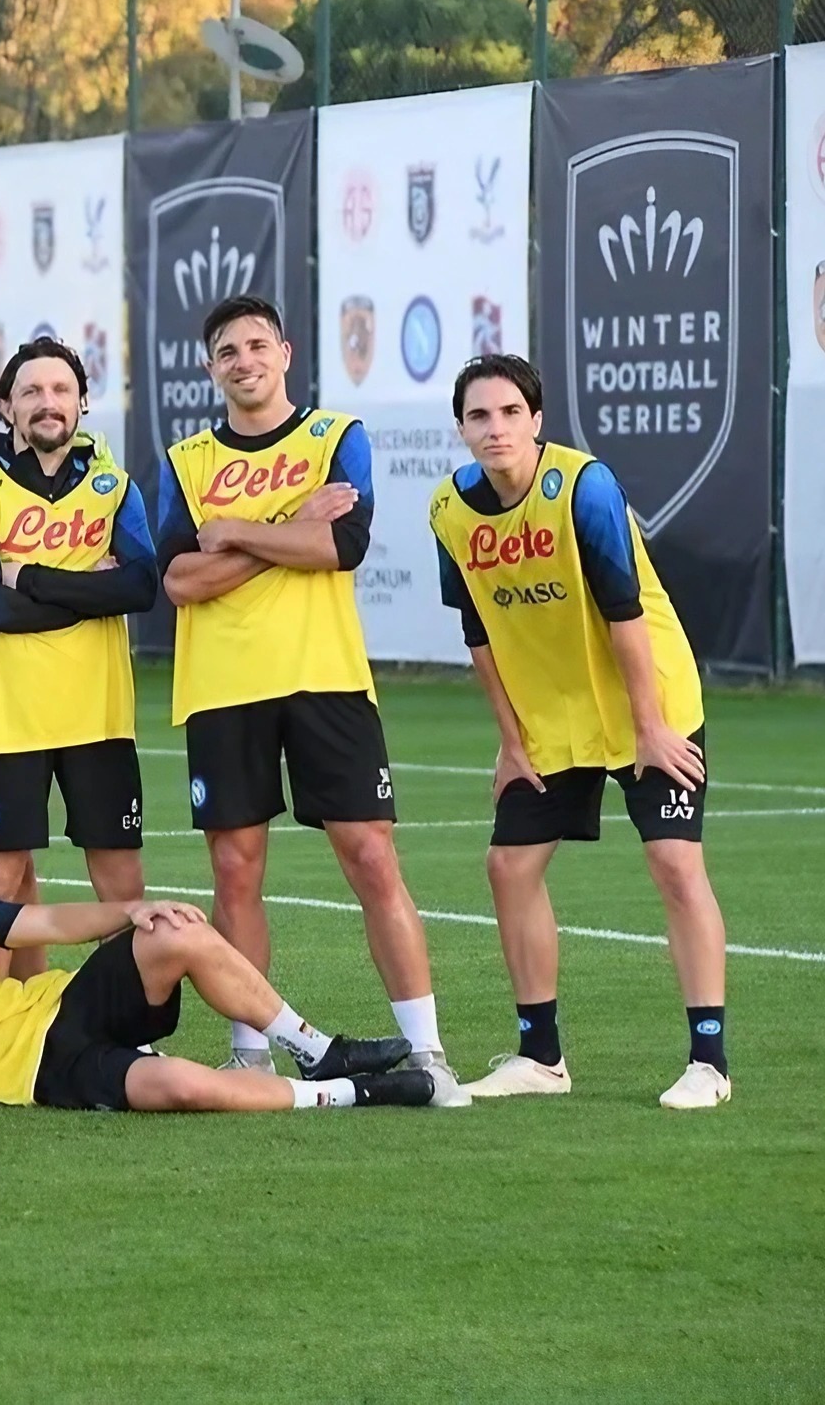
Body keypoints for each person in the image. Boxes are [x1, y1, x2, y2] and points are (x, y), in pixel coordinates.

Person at [154, 295, 467, 1103]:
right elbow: (181, 581)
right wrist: (287, 524)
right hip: (224, 689)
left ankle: (428, 1050)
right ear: (210, 367)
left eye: (258, 345)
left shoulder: (337, 437)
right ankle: (250, 1051)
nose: (244, 360)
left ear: (285, 353)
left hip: (326, 679)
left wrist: (238, 529)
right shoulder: (185, 458)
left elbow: (341, 547)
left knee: (371, 857)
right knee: (235, 872)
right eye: (228, 350)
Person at [430, 354, 729, 1109]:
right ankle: (541, 1057)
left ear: (535, 421)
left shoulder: (582, 488)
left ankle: (709, 1063)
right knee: (508, 868)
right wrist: (509, 739)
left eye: (508, 413)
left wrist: (650, 729)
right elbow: (479, 635)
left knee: (672, 864)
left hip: (648, 700)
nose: (494, 428)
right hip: (553, 717)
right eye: (478, 416)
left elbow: (624, 615)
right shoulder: (450, 512)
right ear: (461, 428)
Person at [0, 819, 439, 1112]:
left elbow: (53, 924)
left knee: (177, 926)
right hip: (38, 1074)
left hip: (61, 1005)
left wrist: (133, 910)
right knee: (179, 1087)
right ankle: (357, 1094)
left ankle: (313, 1047)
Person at [0, 338, 156, 978]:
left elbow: (142, 587)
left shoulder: (114, 488)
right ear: (5, 406)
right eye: (31, 392)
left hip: (98, 716)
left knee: (120, 882)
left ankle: (127, 1036)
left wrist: (31, 575)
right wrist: (93, 589)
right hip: (6, 719)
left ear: (83, 403)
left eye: (61, 390)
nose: (47, 403)